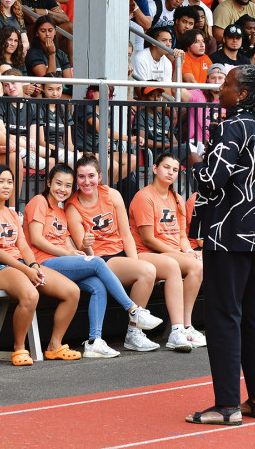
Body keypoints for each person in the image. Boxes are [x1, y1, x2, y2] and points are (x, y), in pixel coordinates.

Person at [186, 64, 255, 426]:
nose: (220, 89)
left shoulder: (231, 126)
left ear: (242, 94)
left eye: (227, 85)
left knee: (224, 315)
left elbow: (213, 179)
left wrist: (195, 162)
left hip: (229, 233)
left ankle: (226, 405)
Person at [24, 163, 163, 358]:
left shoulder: (61, 210)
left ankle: (94, 341)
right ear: (48, 182)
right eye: (58, 184)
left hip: (62, 262)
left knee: (98, 284)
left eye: (67, 185)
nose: (62, 189)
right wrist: (70, 255)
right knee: (97, 262)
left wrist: (76, 252)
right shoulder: (39, 202)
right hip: (44, 263)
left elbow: (66, 242)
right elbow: (37, 239)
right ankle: (133, 310)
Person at [0, 164, 83, 366]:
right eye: (0, 181)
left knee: (72, 292)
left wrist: (34, 266)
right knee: (31, 294)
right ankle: (19, 348)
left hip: (21, 265)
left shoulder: (12, 214)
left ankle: (54, 346)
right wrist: (26, 270)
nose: (6, 186)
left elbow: (23, 245)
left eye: (10, 182)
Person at [63, 155, 162, 352]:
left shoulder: (112, 195)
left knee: (157, 268)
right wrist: (86, 244)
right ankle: (134, 331)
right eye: (81, 177)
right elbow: (86, 251)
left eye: (91, 176)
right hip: (102, 260)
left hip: (122, 253)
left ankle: (175, 328)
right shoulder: (73, 207)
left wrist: (134, 261)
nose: (86, 181)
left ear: (99, 176)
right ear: (76, 179)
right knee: (148, 271)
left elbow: (126, 234)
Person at [129, 152, 206, 349]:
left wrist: (188, 251)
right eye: (166, 167)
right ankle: (177, 330)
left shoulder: (177, 198)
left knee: (198, 264)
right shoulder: (144, 197)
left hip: (172, 253)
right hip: (145, 253)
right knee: (177, 263)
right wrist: (181, 254)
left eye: (175, 169)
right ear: (154, 169)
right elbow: (149, 239)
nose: (171, 172)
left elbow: (182, 236)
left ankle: (185, 326)